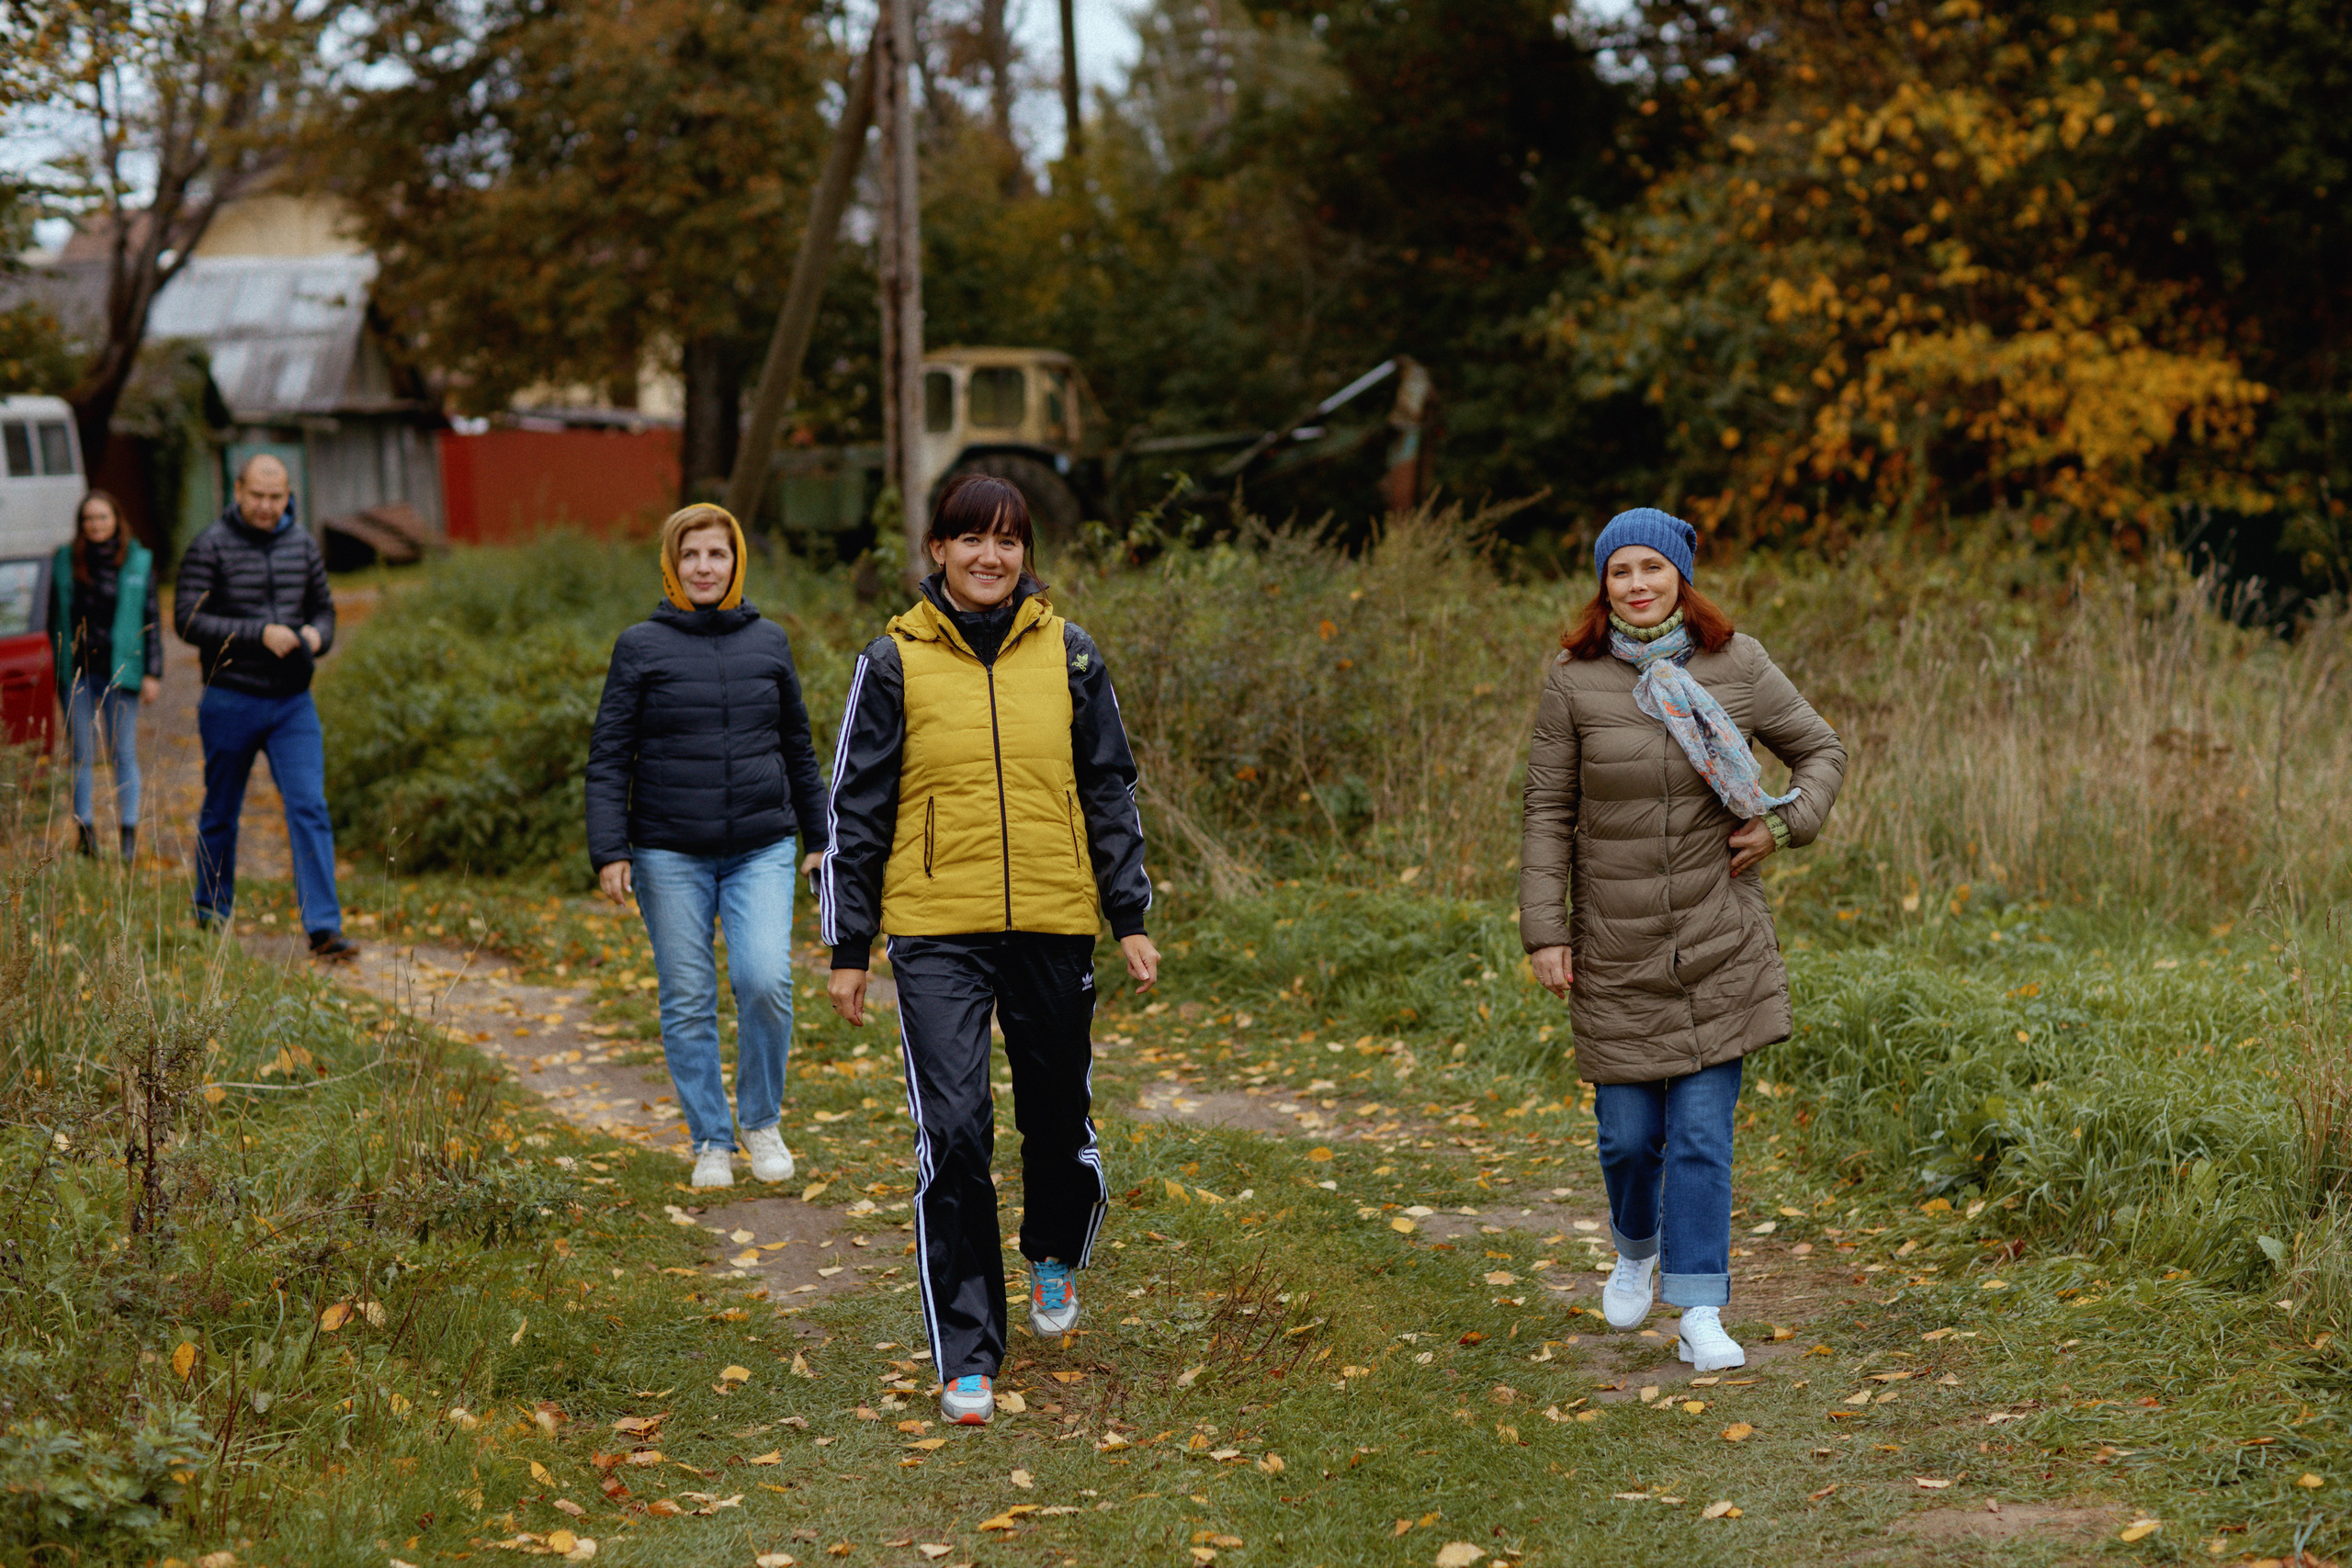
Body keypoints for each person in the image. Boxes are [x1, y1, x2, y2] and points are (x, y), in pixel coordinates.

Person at [820, 474, 1157, 1428]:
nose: (989, 557)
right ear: (936, 550)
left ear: (1026, 557)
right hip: (935, 932)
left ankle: (1052, 1246)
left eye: (1007, 541)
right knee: (955, 1132)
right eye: (970, 539)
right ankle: (966, 1351)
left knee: (1056, 1120)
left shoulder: (1072, 656)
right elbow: (857, 806)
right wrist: (849, 944)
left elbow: (1109, 791)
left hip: (1053, 922)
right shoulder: (892, 661)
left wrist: (1128, 915)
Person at [1519, 507, 1846, 1371]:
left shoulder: (1738, 663)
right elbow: (1548, 811)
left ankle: (1700, 1306)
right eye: (1620, 570)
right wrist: (1544, 929)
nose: (1636, 584)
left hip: (1718, 936)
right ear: (1604, 584)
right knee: (1629, 1137)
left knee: (1703, 1134)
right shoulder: (1574, 679)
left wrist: (1786, 825)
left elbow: (1820, 751)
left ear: (1679, 577)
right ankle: (1637, 1245)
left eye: (1651, 569)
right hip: (1615, 946)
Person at [586, 504, 829, 1190]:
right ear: (671, 564)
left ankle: (760, 1121)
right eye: (690, 554)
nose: (703, 567)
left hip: (762, 845)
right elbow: (609, 757)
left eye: (716, 554)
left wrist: (819, 839)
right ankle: (711, 1141)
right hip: (669, 852)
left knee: (764, 981)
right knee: (688, 996)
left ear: (736, 561)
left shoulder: (770, 643)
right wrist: (610, 849)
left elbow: (798, 750)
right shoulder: (640, 646)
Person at [174, 454, 356, 959]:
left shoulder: (301, 543)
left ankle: (324, 928)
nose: (267, 506)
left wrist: (319, 634)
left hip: (293, 704)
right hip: (230, 696)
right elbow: (186, 621)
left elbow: (325, 608)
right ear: (238, 490)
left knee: (309, 807)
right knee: (221, 809)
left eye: (276, 498)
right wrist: (259, 634)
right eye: (258, 496)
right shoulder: (210, 545)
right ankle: (211, 914)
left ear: (287, 494)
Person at [51, 490, 161, 862]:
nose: (96, 525)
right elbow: (53, 618)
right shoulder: (65, 561)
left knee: (123, 752)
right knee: (81, 754)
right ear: (81, 525)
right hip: (78, 672)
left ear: (116, 520)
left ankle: (128, 832)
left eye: (103, 518)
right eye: (89, 519)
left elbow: (152, 619)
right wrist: (56, 670)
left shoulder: (137, 561)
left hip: (122, 670)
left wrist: (153, 672)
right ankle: (86, 836)